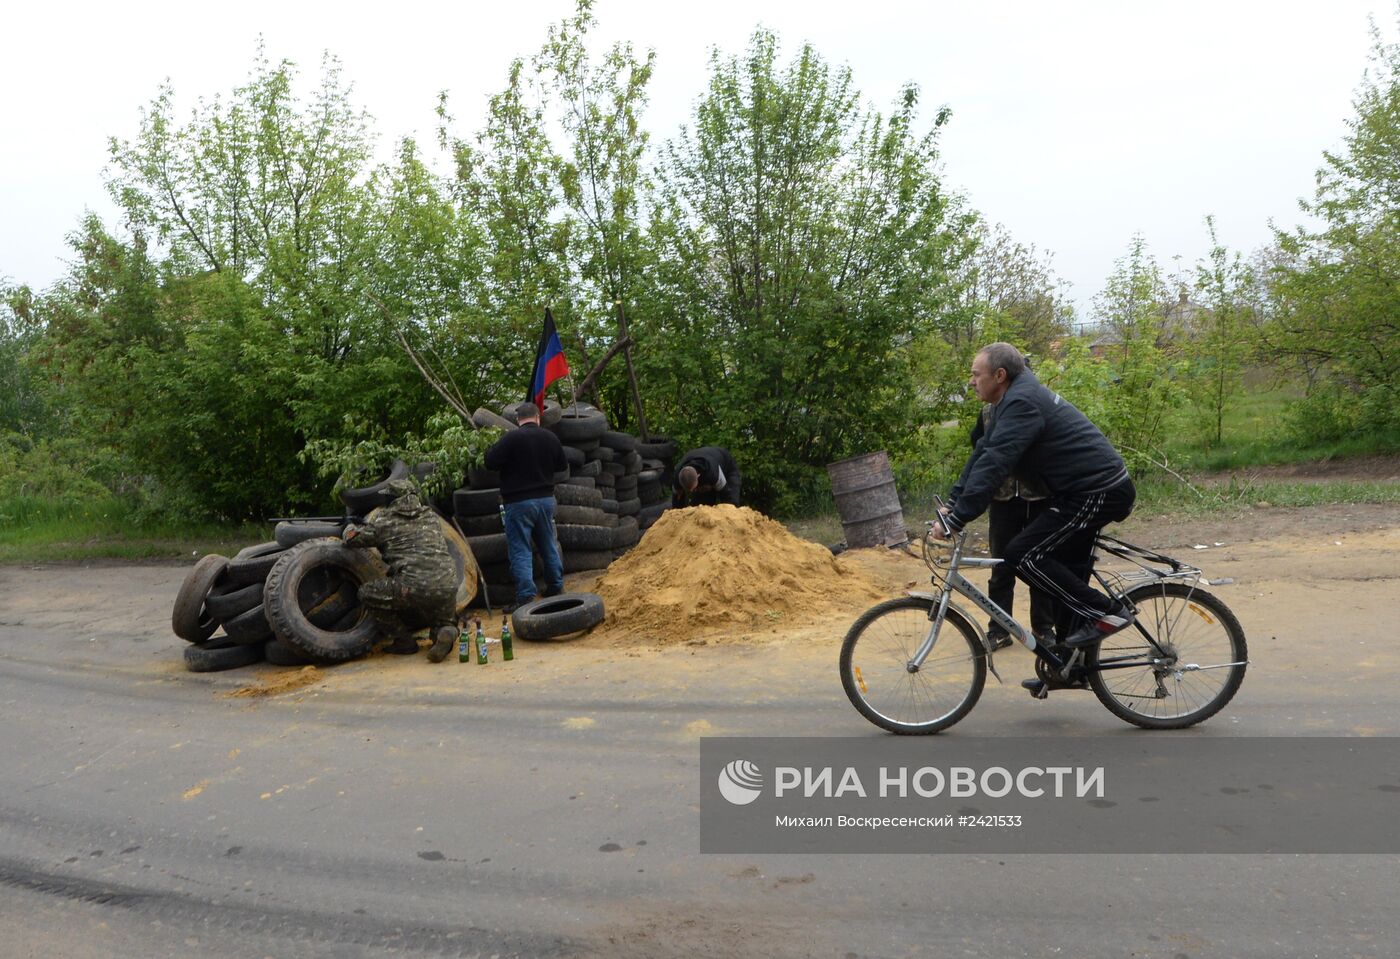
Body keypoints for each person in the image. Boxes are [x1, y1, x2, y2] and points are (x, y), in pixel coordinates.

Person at [934, 343, 1136, 689]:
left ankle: (1109, 613)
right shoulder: (1005, 403)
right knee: (1065, 572)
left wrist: (958, 520)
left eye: (975, 374)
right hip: (1078, 491)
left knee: (1021, 554)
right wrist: (954, 504)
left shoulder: (1022, 403)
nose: (971, 382)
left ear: (1000, 375)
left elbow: (998, 462)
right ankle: (1070, 668)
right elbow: (983, 453)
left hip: (1096, 491)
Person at [343, 478, 460, 663]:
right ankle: (446, 632)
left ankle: (403, 641)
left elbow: (352, 540)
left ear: (391, 499)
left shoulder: (385, 520)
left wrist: (349, 525)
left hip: (412, 586)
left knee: (366, 593)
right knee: (443, 619)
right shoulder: (430, 516)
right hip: (448, 582)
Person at [970, 402, 1058, 651]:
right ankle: (999, 629)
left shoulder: (1040, 406)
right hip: (1002, 499)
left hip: (1040, 497)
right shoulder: (989, 412)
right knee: (1000, 567)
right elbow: (978, 445)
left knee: (1040, 564)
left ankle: (1043, 629)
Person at [483, 401, 566, 610]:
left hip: (518, 503)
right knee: (548, 543)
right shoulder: (550, 437)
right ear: (538, 418)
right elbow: (562, 465)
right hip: (546, 500)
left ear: (517, 420)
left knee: (520, 548)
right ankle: (556, 587)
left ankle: (526, 597)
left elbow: (489, 462)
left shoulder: (510, 438)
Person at [671, 446, 741, 508]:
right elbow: (677, 504)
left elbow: (726, 494)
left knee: (731, 505)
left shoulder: (713, 473)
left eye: (694, 488)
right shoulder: (677, 478)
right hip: (705, 479)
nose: (692, 491)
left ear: (698, 476)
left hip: (727, 467)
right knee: (699, 508)